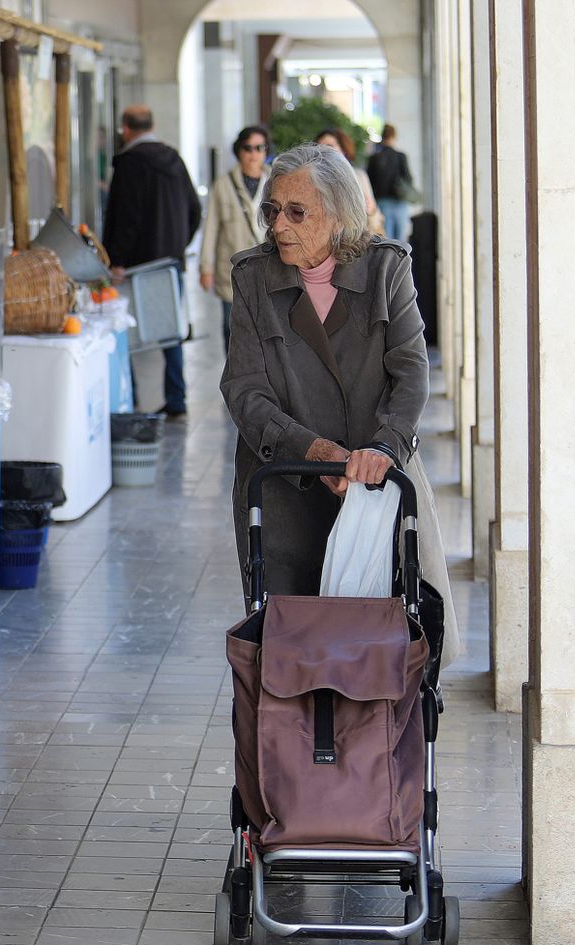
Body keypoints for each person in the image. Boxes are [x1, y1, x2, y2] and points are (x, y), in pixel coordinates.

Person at [220, 143, 449, 616]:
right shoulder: (253, 277)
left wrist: (385, 447)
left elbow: (411, 369)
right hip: (285, 482)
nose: (279, 224)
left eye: (296, 211)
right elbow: (245, 389)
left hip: (374, 482)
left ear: (338, 213)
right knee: (290, 635)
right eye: (272, 209)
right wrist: (312, 450)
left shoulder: (387, 268)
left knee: (381, 631)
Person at [103, 105, 202, 417]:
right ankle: (177, 398)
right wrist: (176, 246)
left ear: (126, 129)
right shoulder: (173, 159)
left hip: (136, 266)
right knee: (170, 330)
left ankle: (131, 397)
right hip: (169, 262)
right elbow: (194, 210)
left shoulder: (130, 164)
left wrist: (116, 259)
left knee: (129, 333)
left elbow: (126, 218)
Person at [199, 125, 271, 352]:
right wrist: (205, 267)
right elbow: (211, 227)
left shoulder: (275, 181)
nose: (253, 154)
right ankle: (234, 378)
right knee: (232, 329)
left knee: (266, 328)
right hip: (232, 270)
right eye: (248, 148)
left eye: (259, 148)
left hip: (268, 269)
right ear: (239, 151)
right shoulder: (223, 185)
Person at [314, 128, 385, 237]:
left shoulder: (358, 176)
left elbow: (375, 219)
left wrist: (372, 211)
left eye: (330, 146)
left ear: (344, 150)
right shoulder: (313, 180)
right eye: (319, 148)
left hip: (358, 243)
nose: (324, 152)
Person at [366, 124, 416, 243]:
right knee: (401, 241)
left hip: (382, 202)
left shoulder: (374, 158)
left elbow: (369, 181)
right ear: (394, 137)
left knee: (386, 240)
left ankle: (388, 262)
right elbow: (408, 179)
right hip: (399, 202)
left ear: (383, 137)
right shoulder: (400, 157)